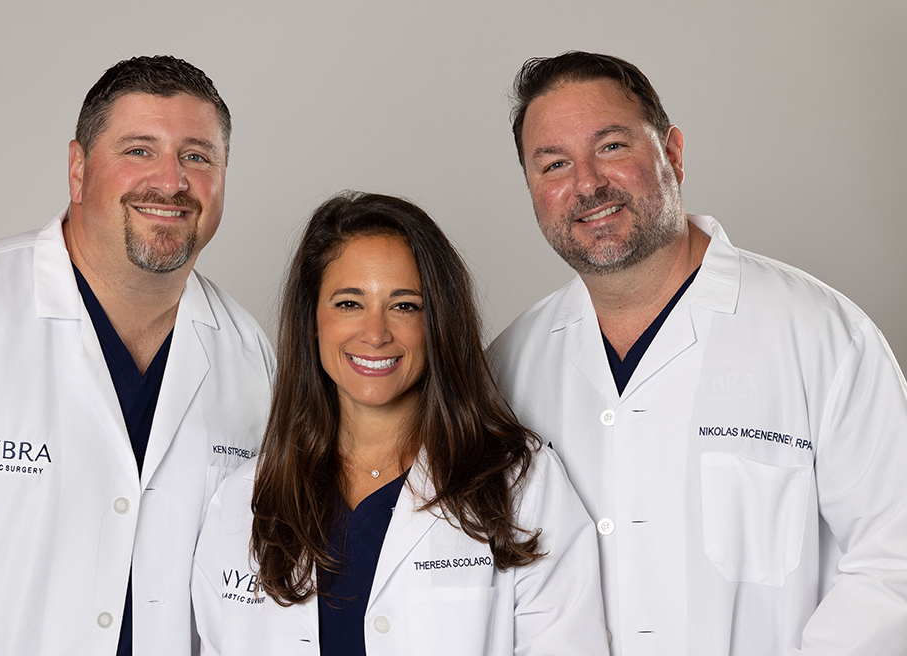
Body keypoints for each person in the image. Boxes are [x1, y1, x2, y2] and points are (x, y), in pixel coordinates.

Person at [0, 56, 273, 655]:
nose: (171, 181)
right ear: (79, 169)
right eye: (139, 150)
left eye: (197, 156)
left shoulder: (249, 357)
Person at [487, 50, 907, 655]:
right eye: (554, 164)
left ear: (673, 154)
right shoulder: (507, 369)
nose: (586, 184)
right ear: (532, 189)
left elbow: (892, 560)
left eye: (611, 147)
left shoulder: (822, 334)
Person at [191, 191, 608, 655]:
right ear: (312, 319)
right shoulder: (243, 500)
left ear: (438, 323)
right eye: (349, 303)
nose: (375, 333)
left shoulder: (522, 487)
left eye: (405, 305)